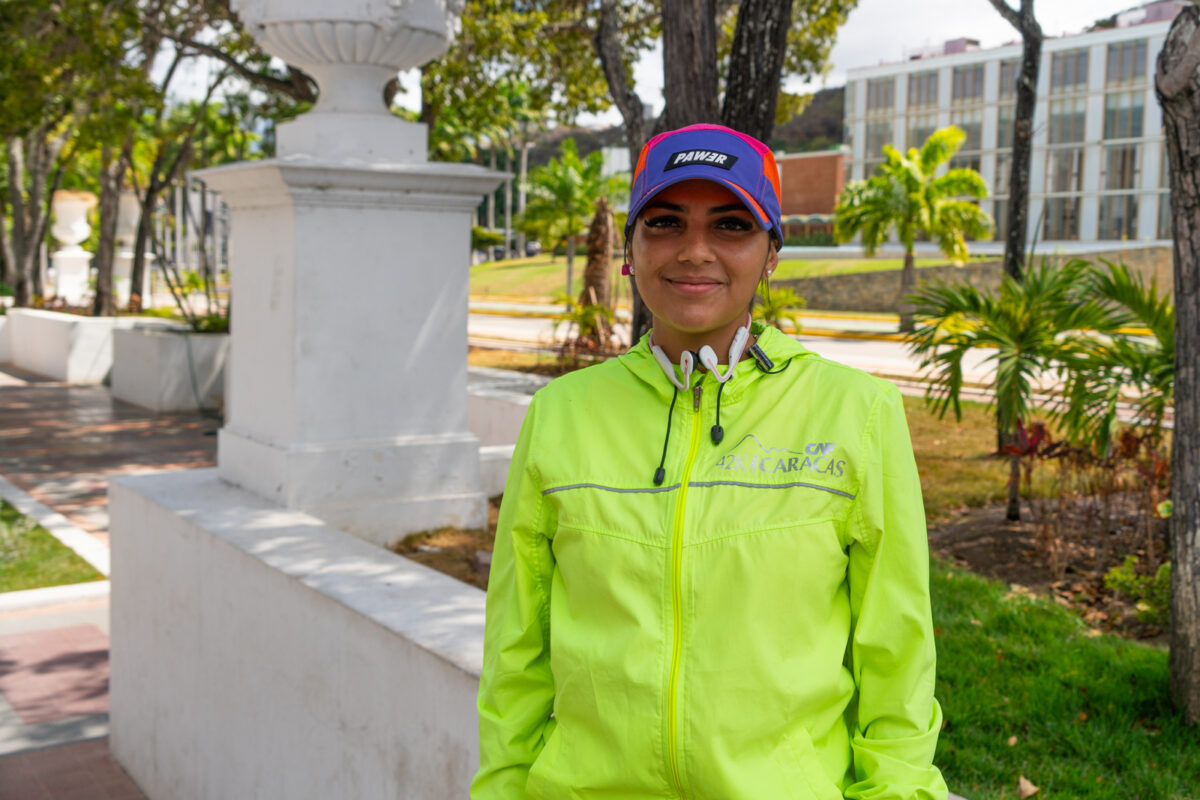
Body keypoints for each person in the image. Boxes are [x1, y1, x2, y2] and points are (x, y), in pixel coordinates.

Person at [471, 124, 948, 800]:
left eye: (730, 225)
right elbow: (516, 652)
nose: (695, 252)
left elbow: (897, 659)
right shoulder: (560, 415)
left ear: (772, 254)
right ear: (632, 249)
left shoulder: (858, 414)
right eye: (665, 223)